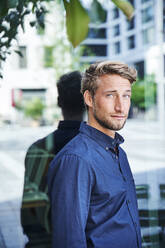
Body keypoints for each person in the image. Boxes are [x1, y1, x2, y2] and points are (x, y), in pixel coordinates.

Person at [47, 61, 142, 248]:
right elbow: (68, 242)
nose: (121, 107)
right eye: (110, 95)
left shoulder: (119, 153)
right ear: (89, 99)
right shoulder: (76, 160)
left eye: (126, 96)